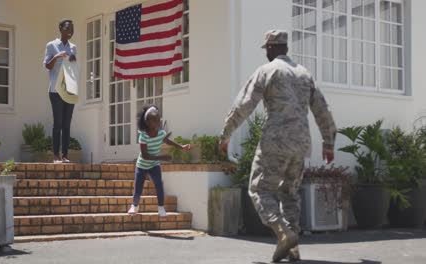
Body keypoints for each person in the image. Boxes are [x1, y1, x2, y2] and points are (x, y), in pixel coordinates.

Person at [219, 30, 337, 262]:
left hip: (276, 141)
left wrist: (226, 134)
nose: (267, 53)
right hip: (301, 143)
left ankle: (283, 232)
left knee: (259, 189)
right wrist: (329, 142)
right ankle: (292, 248)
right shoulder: (304, 74)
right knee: (289, 193)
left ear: (271, 48)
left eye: (267, 49)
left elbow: (244, 104)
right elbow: (322, 109)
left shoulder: (268, 70)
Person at [128, 105, 191, 217]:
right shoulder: (143, 136)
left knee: (159, 184)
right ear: (147, 122)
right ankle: (135, 206)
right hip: (142, 165)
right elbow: (145, 155)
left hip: (154, 165)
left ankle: (161, 208)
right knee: (138, 187)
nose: (158, 122)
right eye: (155, 120)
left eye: (159, 120)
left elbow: (167, 141)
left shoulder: (161, 133)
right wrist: (163, 158)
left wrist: (181, 147)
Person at [43, 19, 77, 163]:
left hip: (69, 90)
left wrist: (74, 60)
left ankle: (65, 155)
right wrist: (56, 57)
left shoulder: (73, 47)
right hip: (55, 91)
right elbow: (47, 66)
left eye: (72, 28)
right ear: (60, 28)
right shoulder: (51, 45)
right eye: (68, 27)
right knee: (58, 123)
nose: (70, 30)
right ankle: (56, 155)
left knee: (67, 124)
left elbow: (73, 68)